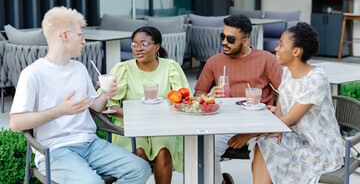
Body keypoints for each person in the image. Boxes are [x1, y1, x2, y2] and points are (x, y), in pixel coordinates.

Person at [9, 7, 151, 184]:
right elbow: (15, 123)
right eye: (80, 35)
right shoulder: (32, 74)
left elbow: (96, 107)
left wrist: (105, 95)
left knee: (140, 169)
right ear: (64, 36)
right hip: (54, 150)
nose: (84, 41)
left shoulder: (79, 68)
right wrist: (60, 111)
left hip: (91, 145)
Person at [229, 22, 343, 183]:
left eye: (281, 44)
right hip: (296, 138)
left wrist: (249, 135)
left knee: (263, 142)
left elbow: (290, 119)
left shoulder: (316, 78)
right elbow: (280, 113)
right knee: (265, 143)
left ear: (296, 51)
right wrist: (275, 128)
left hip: (320, 149)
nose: (276, 48)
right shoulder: (287, 73)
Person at [194, 14, 283, 184]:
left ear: (245, 40)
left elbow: (288, 93)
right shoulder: (214, 62)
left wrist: (250, 133)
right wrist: (210, 95)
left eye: (231, 39)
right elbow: (198, 96)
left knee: (267, 149)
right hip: (225, 124)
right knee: (203, 150)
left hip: (259, 126)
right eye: (223, 37)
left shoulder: (267, 60)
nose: (224, 42)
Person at [100, 26, 190, 184]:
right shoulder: (124, 69)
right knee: (138, 152)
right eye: (134, 44)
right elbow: (107, 105)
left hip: (163, 125)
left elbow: (183, 100)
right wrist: (134, 115)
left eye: (143, 44)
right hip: (130, 125)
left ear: (156, 47)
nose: (138, 49)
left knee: (163, 151)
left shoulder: (170, 67)